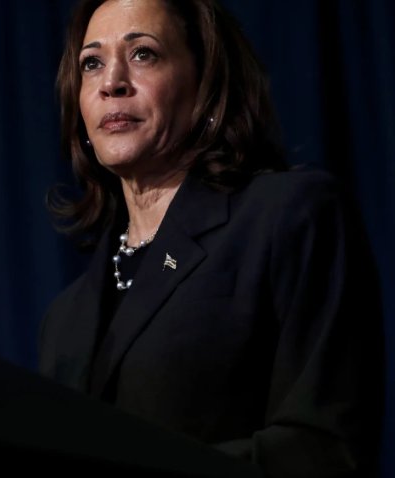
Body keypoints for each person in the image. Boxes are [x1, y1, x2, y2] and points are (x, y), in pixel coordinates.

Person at [38, 0, 384, 477]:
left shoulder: (289, 217)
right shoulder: (65, 318)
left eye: (143, 54)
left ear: (206, 82)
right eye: (91, 63)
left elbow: (325, 447)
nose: (111, 82)